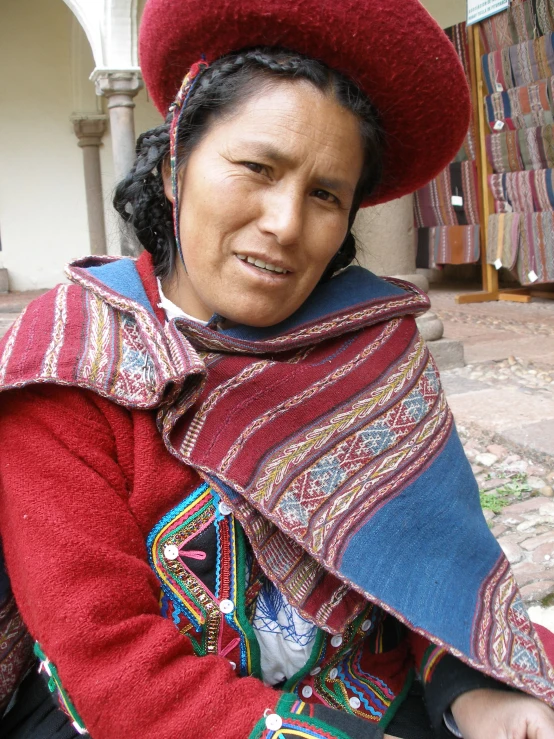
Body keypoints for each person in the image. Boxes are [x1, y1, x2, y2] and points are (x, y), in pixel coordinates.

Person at [1, 0, 554, 737]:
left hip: (375, 694)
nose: (286, 224)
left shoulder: (369, 352)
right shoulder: (68, 361)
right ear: (174, 166)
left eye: (326, 195)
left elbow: (426, 564)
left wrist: (474, 687)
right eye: (257, 168)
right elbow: (111, 662)